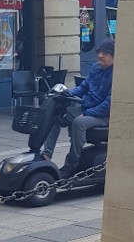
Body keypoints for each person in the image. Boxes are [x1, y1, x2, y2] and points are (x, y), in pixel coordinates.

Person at [42, 37, 114, 175]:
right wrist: (67, 93)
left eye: (105, 53)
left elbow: (108, 104)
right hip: (87, 107)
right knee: (55, 115)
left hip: (104, 115)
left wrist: (88, 113)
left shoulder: (117, 75)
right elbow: (84, 87)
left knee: (79, 122)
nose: (100, 55)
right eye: (99, 52)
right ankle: (46, 154)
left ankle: (72, 164)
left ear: (113, 56)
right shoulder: (96, 68)